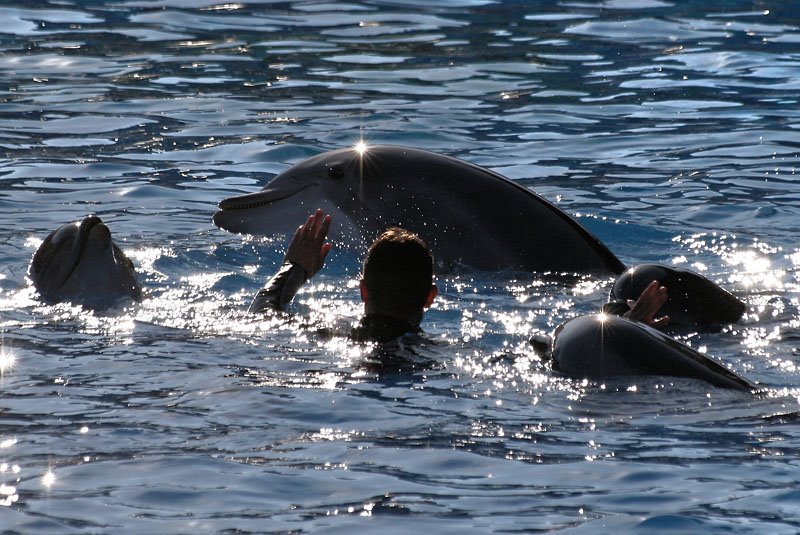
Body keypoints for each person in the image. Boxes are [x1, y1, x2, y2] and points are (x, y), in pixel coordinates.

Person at [249, 209, 438, 344]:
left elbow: (262, 315)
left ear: (363, 291)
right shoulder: (437, 357)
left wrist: (294, 267)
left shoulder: (331, 333)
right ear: (430, 297)